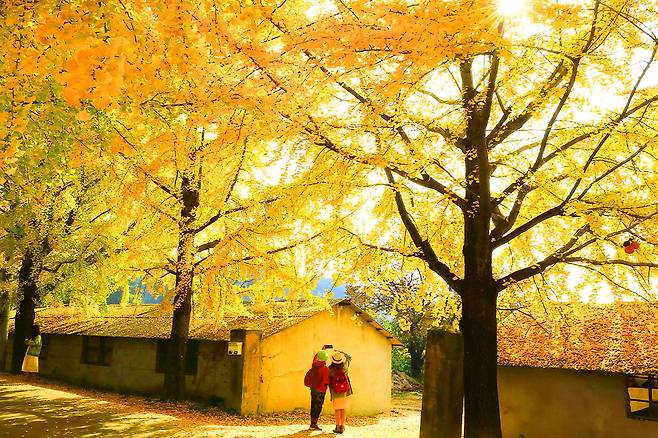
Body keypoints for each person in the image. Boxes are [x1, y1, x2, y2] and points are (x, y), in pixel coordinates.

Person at [328, 350, 352, 434]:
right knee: (343, 409)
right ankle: (342, 426)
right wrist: (341, 351)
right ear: (341, 359)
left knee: (337, 410)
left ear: (333, 360)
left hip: (335, 392)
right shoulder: (345, 367)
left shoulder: (330, 370)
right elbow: (349, 357)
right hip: (345, 391)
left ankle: (337, 426)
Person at [307, 349, 330, 430]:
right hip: (321, 391)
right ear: (325, 359)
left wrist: (321, 350)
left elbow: (315, 358)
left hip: (313, 389)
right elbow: (326, 381)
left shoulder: (314, 365)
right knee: (318, 407)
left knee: (313, 405)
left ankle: (312, 423)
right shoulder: (325, 368)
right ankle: (314, 424)